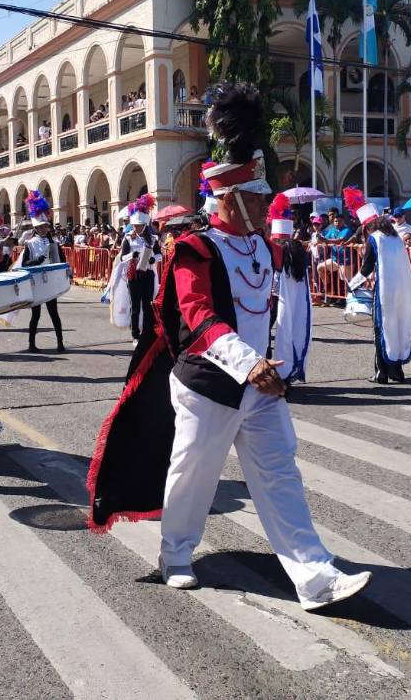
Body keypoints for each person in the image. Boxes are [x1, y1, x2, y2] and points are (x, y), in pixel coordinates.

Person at [87, 84, 371, 611]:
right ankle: (174, 556)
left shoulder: (262, 245)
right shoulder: (194, 247)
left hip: (261, 386)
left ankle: (315, 578)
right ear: (232, 197)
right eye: (260, 196)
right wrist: (247, 362)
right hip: (208, 386)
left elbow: (269, 312)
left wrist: (276, 366)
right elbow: (197, 318)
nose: (269, 204)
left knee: (281, 473)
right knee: (193, 474)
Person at [346, 187, 411, 385]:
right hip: (403, 291)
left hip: (385, 292)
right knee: (397, 327)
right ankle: (397, 371)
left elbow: (366, 268)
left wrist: (352, 285)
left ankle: (381, 373)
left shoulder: (374, 239)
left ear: (368, 226)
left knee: (381, 329)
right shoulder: (395, 238)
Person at [268, 193, 312, 383]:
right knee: (293, 335)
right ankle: (289, 371)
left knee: (269, 339)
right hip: (296, 304)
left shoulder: (280, 252)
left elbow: (274, 281)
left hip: (276, 301)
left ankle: (276, 374)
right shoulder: (298, 252)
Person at [20, 191, 66, 353]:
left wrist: (67, 272)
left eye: (45, 226)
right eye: (40, 227)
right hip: (37, 283)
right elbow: (24, 264)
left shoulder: (55, 242)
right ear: (36, 228)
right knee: (36, 315)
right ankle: (31, 343)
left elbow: (62, 261)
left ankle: (60, 342)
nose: (44, 229)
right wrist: (36, 261)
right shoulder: (30, 243)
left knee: (54, 313)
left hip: (51, 282)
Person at [113, 193, 159, 341]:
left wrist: (153, 259)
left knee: (147, 305)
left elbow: (160, 255)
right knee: (135, 306)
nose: (137, 228)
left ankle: (147, 331)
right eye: (135, 225)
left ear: (145, 225)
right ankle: (135, 334)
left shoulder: (153, 238)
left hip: (148, 274)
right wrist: (131, 256)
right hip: (133, 275)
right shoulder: (128, 238)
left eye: (139, 225)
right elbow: (122, 257)